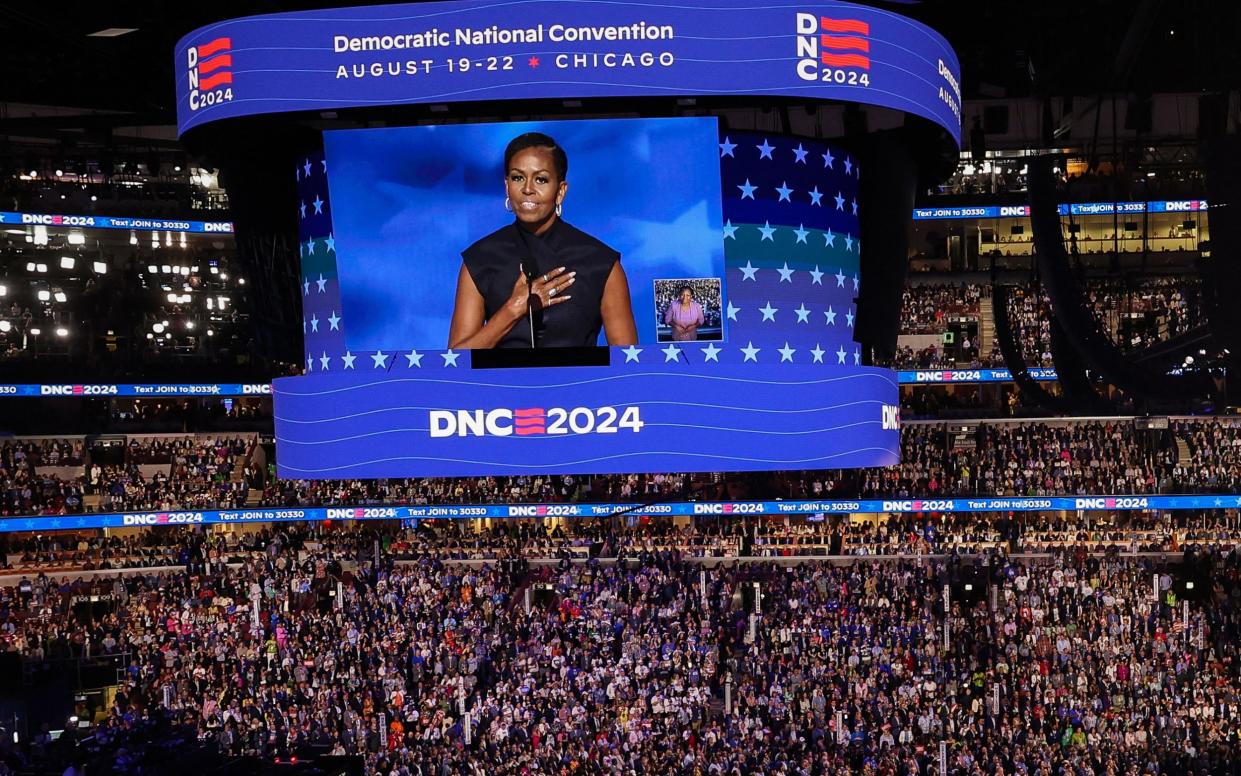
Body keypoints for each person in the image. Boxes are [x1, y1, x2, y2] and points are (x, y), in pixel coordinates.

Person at [448, 132, 638, 349]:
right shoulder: (480, 259)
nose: (528, 189)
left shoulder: (600, 263)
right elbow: (456, 363)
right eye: (518, 177)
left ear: (561, 191)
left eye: (541, 179)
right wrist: (513, 310)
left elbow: (628, 366)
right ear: (506, 185)